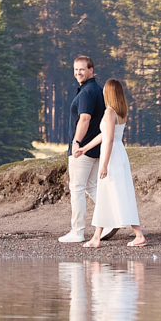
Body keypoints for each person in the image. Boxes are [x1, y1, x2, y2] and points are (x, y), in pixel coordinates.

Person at [88, 78, 146, 246]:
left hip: (112, 156)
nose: (103, 92)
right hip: (119, 154)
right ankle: (97, 237)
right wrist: (84, 148)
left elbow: (110, 140)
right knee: (108, 195)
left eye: (105, 89)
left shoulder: (109, 112)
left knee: (116, 194)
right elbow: (104, 135)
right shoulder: (120, 111)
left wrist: (104, 164)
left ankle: (138, 234)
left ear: (109, 93)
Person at [58, 54, 105, 244]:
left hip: (83, 149)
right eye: (76, 69)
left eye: (82, 69)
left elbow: (84, 119)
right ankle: (109, 222)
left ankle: (77, 231)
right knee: (92, 187)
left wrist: (76, 142)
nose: (78, 73)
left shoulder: (86, 92)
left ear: (91, 70)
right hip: (96, 148)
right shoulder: (97, 90)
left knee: (77, 188)